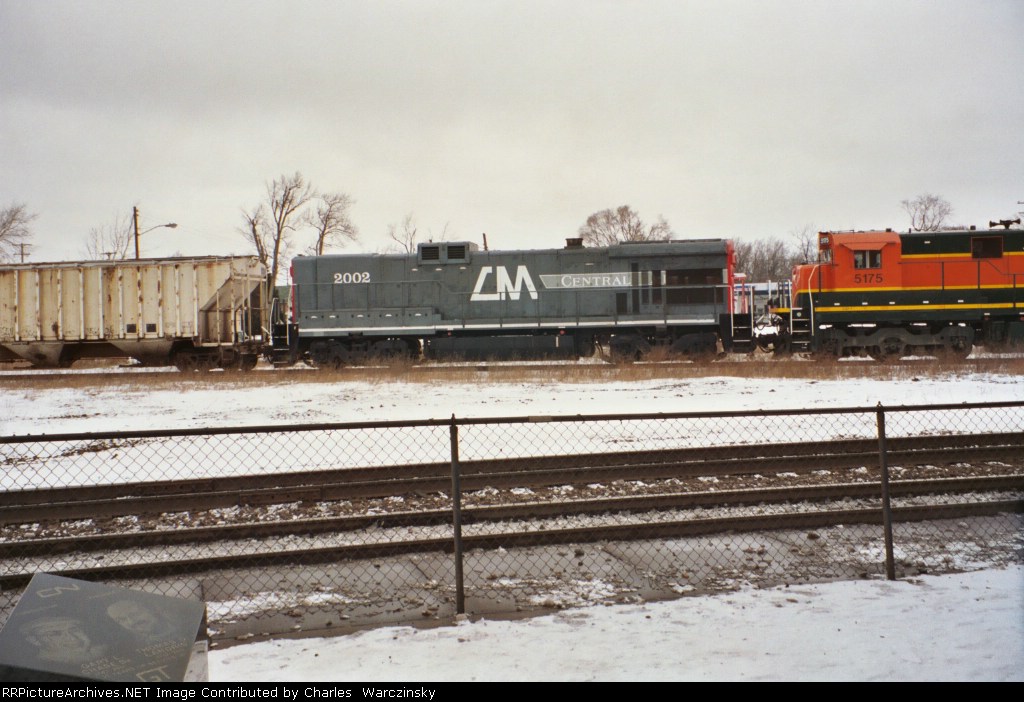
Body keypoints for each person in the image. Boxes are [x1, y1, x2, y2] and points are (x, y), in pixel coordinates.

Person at [21, 616, 107, 665]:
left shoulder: (102, 651)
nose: (72, 638)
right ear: (34, 640)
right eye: (54, 634)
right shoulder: (40, 664)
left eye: (74, 630)